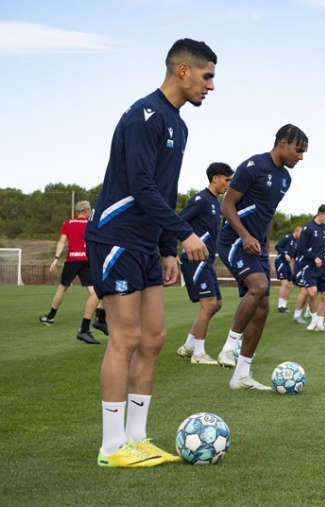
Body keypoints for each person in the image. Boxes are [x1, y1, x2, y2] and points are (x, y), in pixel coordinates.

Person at [85, 38, 216, 467]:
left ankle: (137, 439)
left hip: (145, 243)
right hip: (116, 236)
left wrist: (165, 249)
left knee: (155, 338)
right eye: (206, 76)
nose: (210, 86)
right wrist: (184, 234)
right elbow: (141, 186)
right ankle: (111, 447)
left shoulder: (179, 126)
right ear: (182, 70)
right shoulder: (144, 116)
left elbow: (165, 191)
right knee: (125, 337)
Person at [215, 124, 308, 389]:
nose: (300, 157)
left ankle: (241, 375)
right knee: (259, 287)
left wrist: (265, 250)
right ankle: (229, 347)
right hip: (233, 240)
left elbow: (266, 216)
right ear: (282, 143)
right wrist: (244, 236)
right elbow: (227, 204)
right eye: (298, 150)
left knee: (263, 309)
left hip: (255, 247)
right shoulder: (253, 166)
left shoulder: (285, 179)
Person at [175, 162, 233, 365]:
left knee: (216, 303)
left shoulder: (216, 203)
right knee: (208, 304)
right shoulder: (201, 199)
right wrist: (183, 245)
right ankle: (198, 354)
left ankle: (189, 346)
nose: (228, 184)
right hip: (195, 260)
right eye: (227, 180)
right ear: (215, 178)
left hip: (206, 261)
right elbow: (179, 221)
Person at [39, 200, 107, 344]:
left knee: (63, 288)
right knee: (94, 292)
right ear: (87, 211)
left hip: (72, 260)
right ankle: (100, 316)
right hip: (87, 261)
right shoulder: (91, 224)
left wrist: (56, 258)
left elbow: (62, 242)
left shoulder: (68, 224)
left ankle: (50, 316)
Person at [292, 205, 325, 332]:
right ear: (320, 214)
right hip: (308, 266)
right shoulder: (308, 228)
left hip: (322, 267)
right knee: (311, 293)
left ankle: (320, 323)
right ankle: (314, 320)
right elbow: (301, 248)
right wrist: (314, 257)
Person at [275, 226, 301, 313]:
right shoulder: (287, 237)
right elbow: (277, 246)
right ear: (296, 231)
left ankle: (284, 306)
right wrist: (284, 254)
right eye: (300, 234)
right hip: (280, 262)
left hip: (287, 264)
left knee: (290, 285)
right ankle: (280, 306)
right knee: (285, 283)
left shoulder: (297, 242)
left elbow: (296, 254)